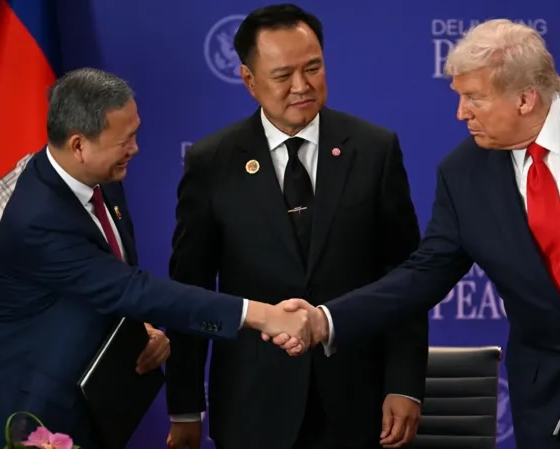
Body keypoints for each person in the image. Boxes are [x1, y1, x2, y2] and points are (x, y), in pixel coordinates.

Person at [274, 18, 560, 449]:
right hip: (554, 400)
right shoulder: (462, 174)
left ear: (525, 98)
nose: (461, 114)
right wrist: (327, 319)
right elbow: (422, 275)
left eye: (474, 98)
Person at [0, 68, 310, 449]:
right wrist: (260, 315)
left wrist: (142, 329)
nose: (135, 149)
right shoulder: (39, 219)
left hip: (88, 404)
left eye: (135, 134)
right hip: (26, 413)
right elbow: (131, 288)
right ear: (78, 146)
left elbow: (110, 283)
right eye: (124, 140)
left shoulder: (102, 178)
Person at [164, 4, 429, 449]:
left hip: (357, 400)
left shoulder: (374, 150)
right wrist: (185, 407)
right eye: (283, 75)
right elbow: (192, 289)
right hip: (252, 404)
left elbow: (405, 278)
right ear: (249, 80)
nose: (302, 86)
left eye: (313, 68)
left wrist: (404, 385)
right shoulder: (212, 162)